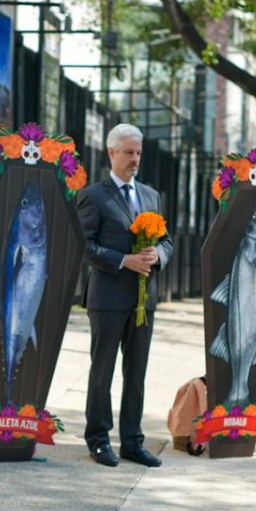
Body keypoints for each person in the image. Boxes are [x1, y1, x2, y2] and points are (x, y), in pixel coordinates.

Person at [77, 123, 174, 468]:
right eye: (128, 152)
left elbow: (167, 241)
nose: (134, 159)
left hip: (143, 303)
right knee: (102, 371)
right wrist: (123, 260)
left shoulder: (151, 196)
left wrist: (156, 257)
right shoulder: (94, 195)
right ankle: (99, 439)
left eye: (138, 153)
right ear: (112, 153)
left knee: (137, 373)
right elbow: (83, 245)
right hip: (107, 298)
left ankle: (132, 441)